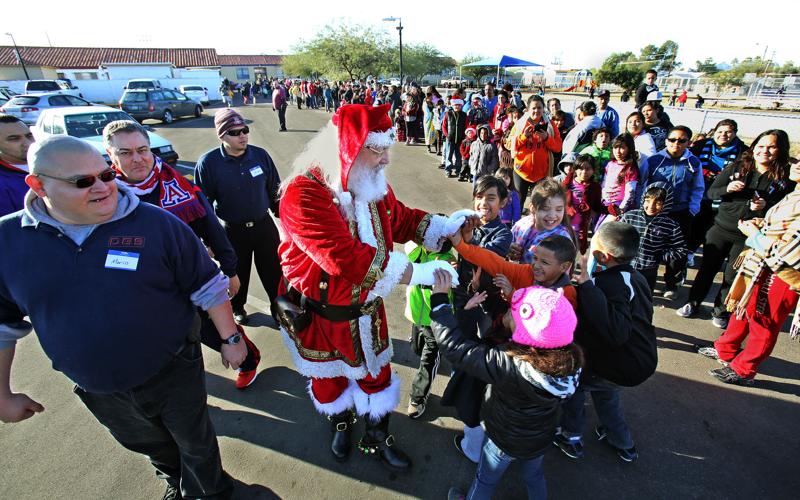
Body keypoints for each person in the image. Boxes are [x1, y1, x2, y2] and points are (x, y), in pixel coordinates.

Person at [0, 136, 246, 500]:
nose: (101, 187)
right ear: (38, 184)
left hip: (174, 369)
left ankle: (210, 493)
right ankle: (175, 482)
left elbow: (208, 285)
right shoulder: (7, 241)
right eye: (83, 182)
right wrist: (2, 394)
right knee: (148, 444)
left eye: (105, 175)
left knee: (196, 443)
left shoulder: (156, 224)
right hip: (98, 388)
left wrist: (232, 340)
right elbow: (4, 326)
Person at [277, 103, 472, 471]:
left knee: (377, 379)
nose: (385, 160)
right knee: (330, 383)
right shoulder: (303, 194)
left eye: (387, 149)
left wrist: (447, 227)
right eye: (377, 149)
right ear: (349, 148)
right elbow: (346, 259)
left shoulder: (365, 178)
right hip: (322, 318)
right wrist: (418, 274)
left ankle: (377, 438)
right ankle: (341, 423)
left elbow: (400, 219)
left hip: (368, 313)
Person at [103, 119, 262, 390]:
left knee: (214, 330)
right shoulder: (102, 194)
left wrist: (231, 270)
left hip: (191, 279)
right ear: (110, 156)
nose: (138, 159)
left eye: (143, 150)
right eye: (125, 153)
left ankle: (248, 361)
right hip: (142, 287)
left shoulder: (178, 186)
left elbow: (212, 229)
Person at [434, 279, 582, 500]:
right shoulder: (571, 359)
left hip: (503, 439)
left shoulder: (510, 364)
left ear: (524, 332)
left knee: (485, 480)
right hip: (540, 436)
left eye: (514, 311)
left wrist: (440, 301)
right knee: (534, 477)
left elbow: (455, 348)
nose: (510, 310)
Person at [554, 222, 657, 463]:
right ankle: (622, 442)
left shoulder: (603, 284)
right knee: (607, 396)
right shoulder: (637, 278)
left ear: (602, 256)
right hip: (639, 358)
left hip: (615, 362)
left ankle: (570, 436)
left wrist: (587, 286)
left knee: (577, 391)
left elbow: (616, 331)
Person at [697, 157, 800, 385]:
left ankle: (745, 369)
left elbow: (793, 249)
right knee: (744, 307)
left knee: (764, 320)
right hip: (762, 262)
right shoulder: (796, 193)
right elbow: (780, 227)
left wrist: (755, 235)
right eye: (798, 160)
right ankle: (726, 349)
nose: (797, 165)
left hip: (783, 273)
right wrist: (761, 225)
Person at [677, 130, 794, 327]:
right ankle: (692, 302)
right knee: (707, 270)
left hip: (747, 236)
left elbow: (785, 207)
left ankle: (721, 311)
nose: (764, 151)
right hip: (720, 228)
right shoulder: (737, 167)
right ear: (754, 147)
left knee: (732, 276)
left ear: (780, 150)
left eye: (771, 147)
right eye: (761, 146)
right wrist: (727, 189)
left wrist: (766, 205)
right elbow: (712, 191)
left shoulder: (784, 177)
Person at [194, 109, 283, 325]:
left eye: (245, 130)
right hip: (232, 231)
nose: (242, 135)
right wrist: (209, 241)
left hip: (264, 227)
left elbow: (275, 191)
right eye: (235, 132)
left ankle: (278, 309)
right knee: (236, 274)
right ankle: (238, 307)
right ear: (221, 135)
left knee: (274, 273)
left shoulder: (260, 156)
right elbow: (201, 208)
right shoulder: (208, 164)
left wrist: (285, 219)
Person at [637, 125, 704, 299]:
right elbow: (643, 183)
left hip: (681, 212)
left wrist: (692, 209)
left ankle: (671, 284)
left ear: (688, 143)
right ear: (666, 140)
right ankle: (644, 280)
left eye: (682, 141)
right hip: (655, 211)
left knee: (677, 252)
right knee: (649, 246)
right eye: (672, 139)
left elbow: (698, 188)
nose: (676, 144)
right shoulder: (654, 160)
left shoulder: (693, 163)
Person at [404, 240, 456, 419]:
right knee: (417, 349)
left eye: (437, 238)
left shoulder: (447, 264)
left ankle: (417, 399)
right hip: (415, 317)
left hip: (435, 323)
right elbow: (407, 242)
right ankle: (422, 346)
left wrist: (449, 276)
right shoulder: (419, 253)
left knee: (428, 360)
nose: (429, 241)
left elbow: (451, 293)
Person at [685, 119, 747, 265]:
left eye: (728, 132)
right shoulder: (701, 145)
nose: (723, 135)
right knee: (693, 224)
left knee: (708, 226)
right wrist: (704, 172)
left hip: (723, 196)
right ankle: (688, 250)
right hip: (698, 192)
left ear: (735, 133)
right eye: (720, 131)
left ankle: (695, 252)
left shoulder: (742, 151)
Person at [621, 184, 687, 292]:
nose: (651, 206)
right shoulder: (630, 216)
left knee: (643, 298)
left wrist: (662, 256)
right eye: (648, 200)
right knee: (621, 294)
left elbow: (681, 249)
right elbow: (616, 236)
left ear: (666, 204)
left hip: (649, 270)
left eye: (658, 202)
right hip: (625, 266)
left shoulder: (670, 225)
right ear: (643, 199)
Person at [509, 96, 562, 204]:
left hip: (541, 173)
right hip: (521, 171)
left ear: (543, 109)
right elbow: (509, 144)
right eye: (533, 108)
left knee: (539, 204)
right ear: (528, 109)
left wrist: (546, 138)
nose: (536, 110)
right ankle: (516, 221)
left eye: (539, 107)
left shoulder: (550, 125)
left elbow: (558, 147)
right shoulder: (520, 124)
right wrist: (523, 137)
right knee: (518, 202)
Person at [509, 179, 576, 264]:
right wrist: (509, 248)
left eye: (558, 210)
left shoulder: (562, 238)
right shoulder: (522, 224)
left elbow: (562, 272)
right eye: (545, 209)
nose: (552, 215)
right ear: (533, 208)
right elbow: (509, 240)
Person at [563, 155, 605, 254]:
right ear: (575, 169)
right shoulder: (567, 184)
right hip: (564, 226)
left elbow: (597, 206)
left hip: (579, 229)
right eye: (581, 168)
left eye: (588, 169)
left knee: (571, 255)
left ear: (593, 170)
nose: (584, 172)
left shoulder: (595, 187)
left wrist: (612, 209)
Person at [0, 115, 34, 217]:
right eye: (14, 139)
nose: (27, 143)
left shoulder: (55, 163)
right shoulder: (3, 183)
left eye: (29, 136)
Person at [443, 97, 467, 179]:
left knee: (459, 156)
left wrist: (464, 137)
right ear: (453, 105)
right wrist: (447, 135)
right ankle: (448, 170)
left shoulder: (464, 115)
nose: (457, 106)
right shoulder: (448, 114)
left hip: (460, 139)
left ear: (461, 106)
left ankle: (458, 170)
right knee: (448, 155)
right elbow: (444, 126)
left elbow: (466, 126)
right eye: (455, 105)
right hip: (450, 139)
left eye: (459, 105)